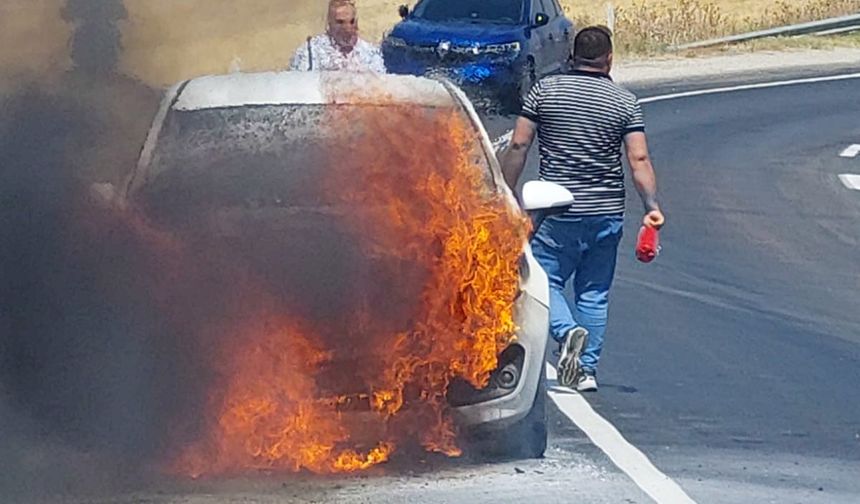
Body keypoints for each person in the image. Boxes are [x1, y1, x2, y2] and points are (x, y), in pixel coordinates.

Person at [500, 26, 665, 393]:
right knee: (594, 292)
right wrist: (651, 207)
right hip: (606, 212)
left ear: (571, 56)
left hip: (556, 208)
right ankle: (586, 370)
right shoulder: (624, 102)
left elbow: (519, 145)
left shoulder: (545, 91)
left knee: (543, 280)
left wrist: (506, 192)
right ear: (609, 59)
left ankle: (566, 330)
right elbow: (638, 159)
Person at [289, 0, 386, 73]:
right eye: (340, 22)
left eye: (351, 22)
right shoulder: (310, 52)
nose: (347, 28)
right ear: (330, 23)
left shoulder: (370, 53)